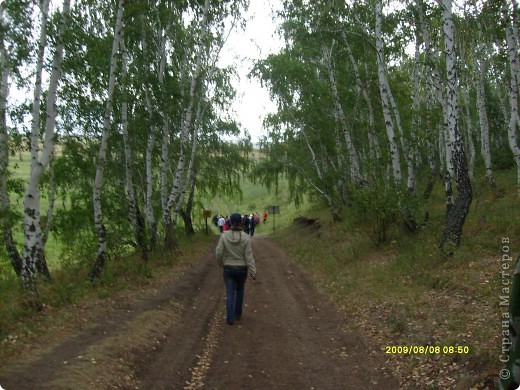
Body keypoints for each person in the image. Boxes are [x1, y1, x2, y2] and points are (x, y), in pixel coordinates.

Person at [216, 213, 256, 325]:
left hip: (228, 268)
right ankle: (238, 314)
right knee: (240, 290)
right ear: (241, 222)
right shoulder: (246, 237)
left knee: (229, 292)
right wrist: (253, 273)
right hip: (242, 269)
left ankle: (230, 318)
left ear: (229, 222)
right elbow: (249, 257)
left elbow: (218, 252)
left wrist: (221, 264)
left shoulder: (224, 236)